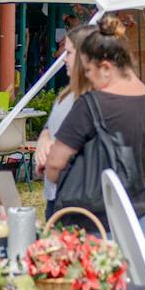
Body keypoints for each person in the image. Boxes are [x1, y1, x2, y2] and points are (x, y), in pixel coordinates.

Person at [44, 15, 145, 236]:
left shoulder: (91, 105)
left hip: (92, 221)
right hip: (138, 212)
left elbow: (54, 165)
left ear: (106, 68)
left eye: (89, 71)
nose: (88, 77)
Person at [34, 22, 95, 210]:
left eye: (68, 53)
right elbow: (50, 128)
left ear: (85, 57)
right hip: (54, 194)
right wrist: (43, 139)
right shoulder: (65, 96)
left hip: (79, 199)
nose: (63, 59)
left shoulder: (94, 101)